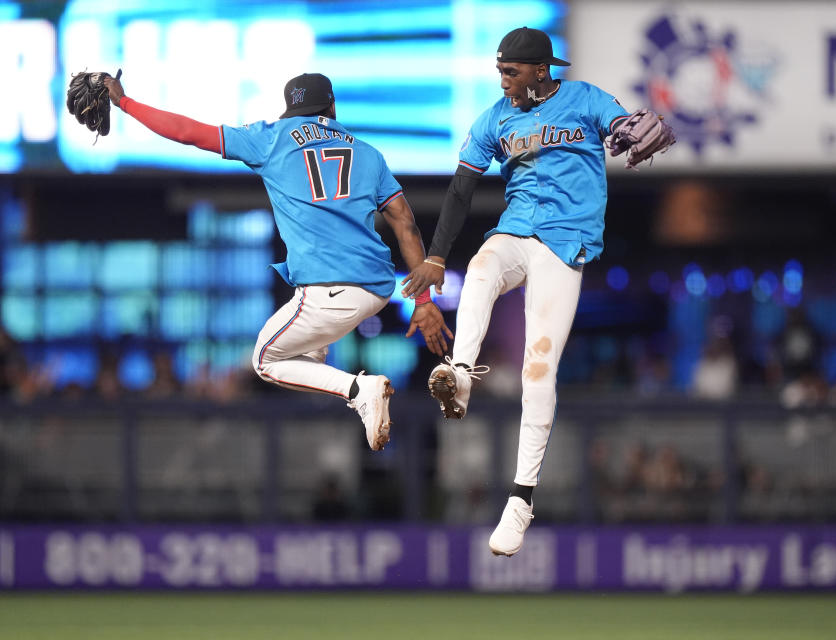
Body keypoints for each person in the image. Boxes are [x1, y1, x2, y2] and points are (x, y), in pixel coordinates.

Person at [403, 27, 668, 555]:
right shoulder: (495, 118)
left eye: (512, 71)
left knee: (538, 367)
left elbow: (621, 124)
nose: (503, 81)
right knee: (479, 268)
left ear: (542, 70)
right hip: (516, 229)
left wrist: (624, 131)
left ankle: (521, 500)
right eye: (500, 70)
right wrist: (435, 255)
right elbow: (461, 189)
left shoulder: (584, 98)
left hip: (565, 243)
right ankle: (459, 376)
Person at [104, 72, 452, 451]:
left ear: (291, 110)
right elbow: (405, 222)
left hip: (328, 291)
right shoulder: (368, 153)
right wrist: (422, 301)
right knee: (306, 359)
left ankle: (359, 389)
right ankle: (349, 396)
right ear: (332, 107)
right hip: (376, 290)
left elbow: (187, 132)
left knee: (265, 360)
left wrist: (125, 103)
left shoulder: (274, 137)